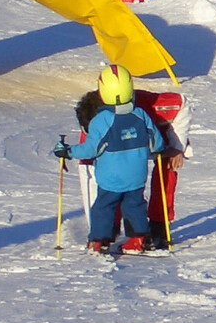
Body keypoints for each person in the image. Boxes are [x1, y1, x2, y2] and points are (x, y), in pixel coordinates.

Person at [54, 66, 166, 254]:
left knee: (103, 207)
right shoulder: (140, 115)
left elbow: (90, 149)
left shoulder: (102, 120)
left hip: (111, 178)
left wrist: (68, 151)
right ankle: (138, 239)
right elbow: (156, 143)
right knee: (135, 205)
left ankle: (98, 241)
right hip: (136, 175)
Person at [72, 86, 190, 250]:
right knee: (111, 190)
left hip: (157, 141)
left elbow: (181, 104)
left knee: (166, 169)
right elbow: (89, 176)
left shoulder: (151, 106)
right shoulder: (92, 127)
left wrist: (177, 146)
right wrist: (97, 226)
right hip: (120, 156)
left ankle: (158, 226)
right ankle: (109, 229)